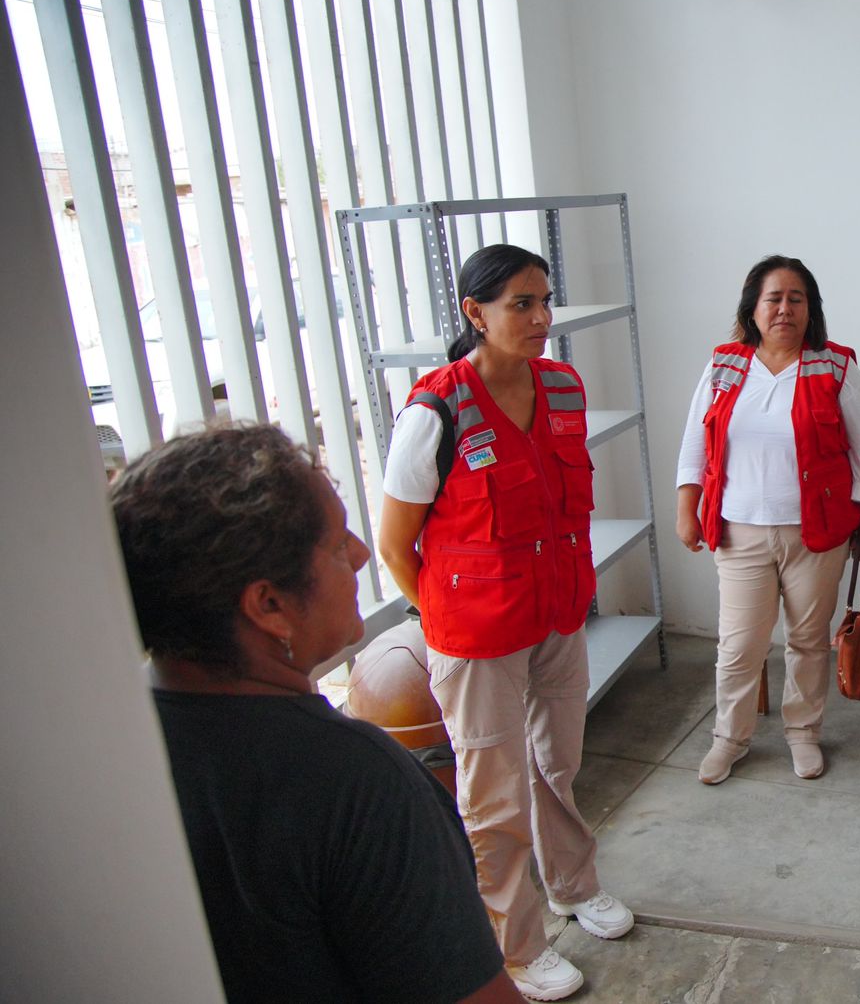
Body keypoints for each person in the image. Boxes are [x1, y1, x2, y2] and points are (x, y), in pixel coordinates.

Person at [112, 423, 526, 1004]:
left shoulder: (107, 741)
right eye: (336, 545)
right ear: (270, 606)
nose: (360, 554)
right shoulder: (354, 783)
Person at [378, 244, 633, 1003]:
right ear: (474, 313)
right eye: (521, 303)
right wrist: (442, 616)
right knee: (493, 796)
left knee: (556, 763)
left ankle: (572, 884)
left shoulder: (562, 386)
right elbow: (395, 543)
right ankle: (517, 947)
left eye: (545, 301)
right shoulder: (437, 409)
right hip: (476, 634)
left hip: (557, 612)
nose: (541, 319)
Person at [676, 254, 860, 784]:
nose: (785, 309)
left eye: (797, 299)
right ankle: (730, 738)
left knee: (808, 641)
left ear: (810, 309)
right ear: (753, 307)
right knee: (739, 646)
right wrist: (687, 505)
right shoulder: (724, 364)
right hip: (738, 529)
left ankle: (803, 733)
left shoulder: (836, 366)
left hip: (816, 533)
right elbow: (694, 444)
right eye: (774, 298)